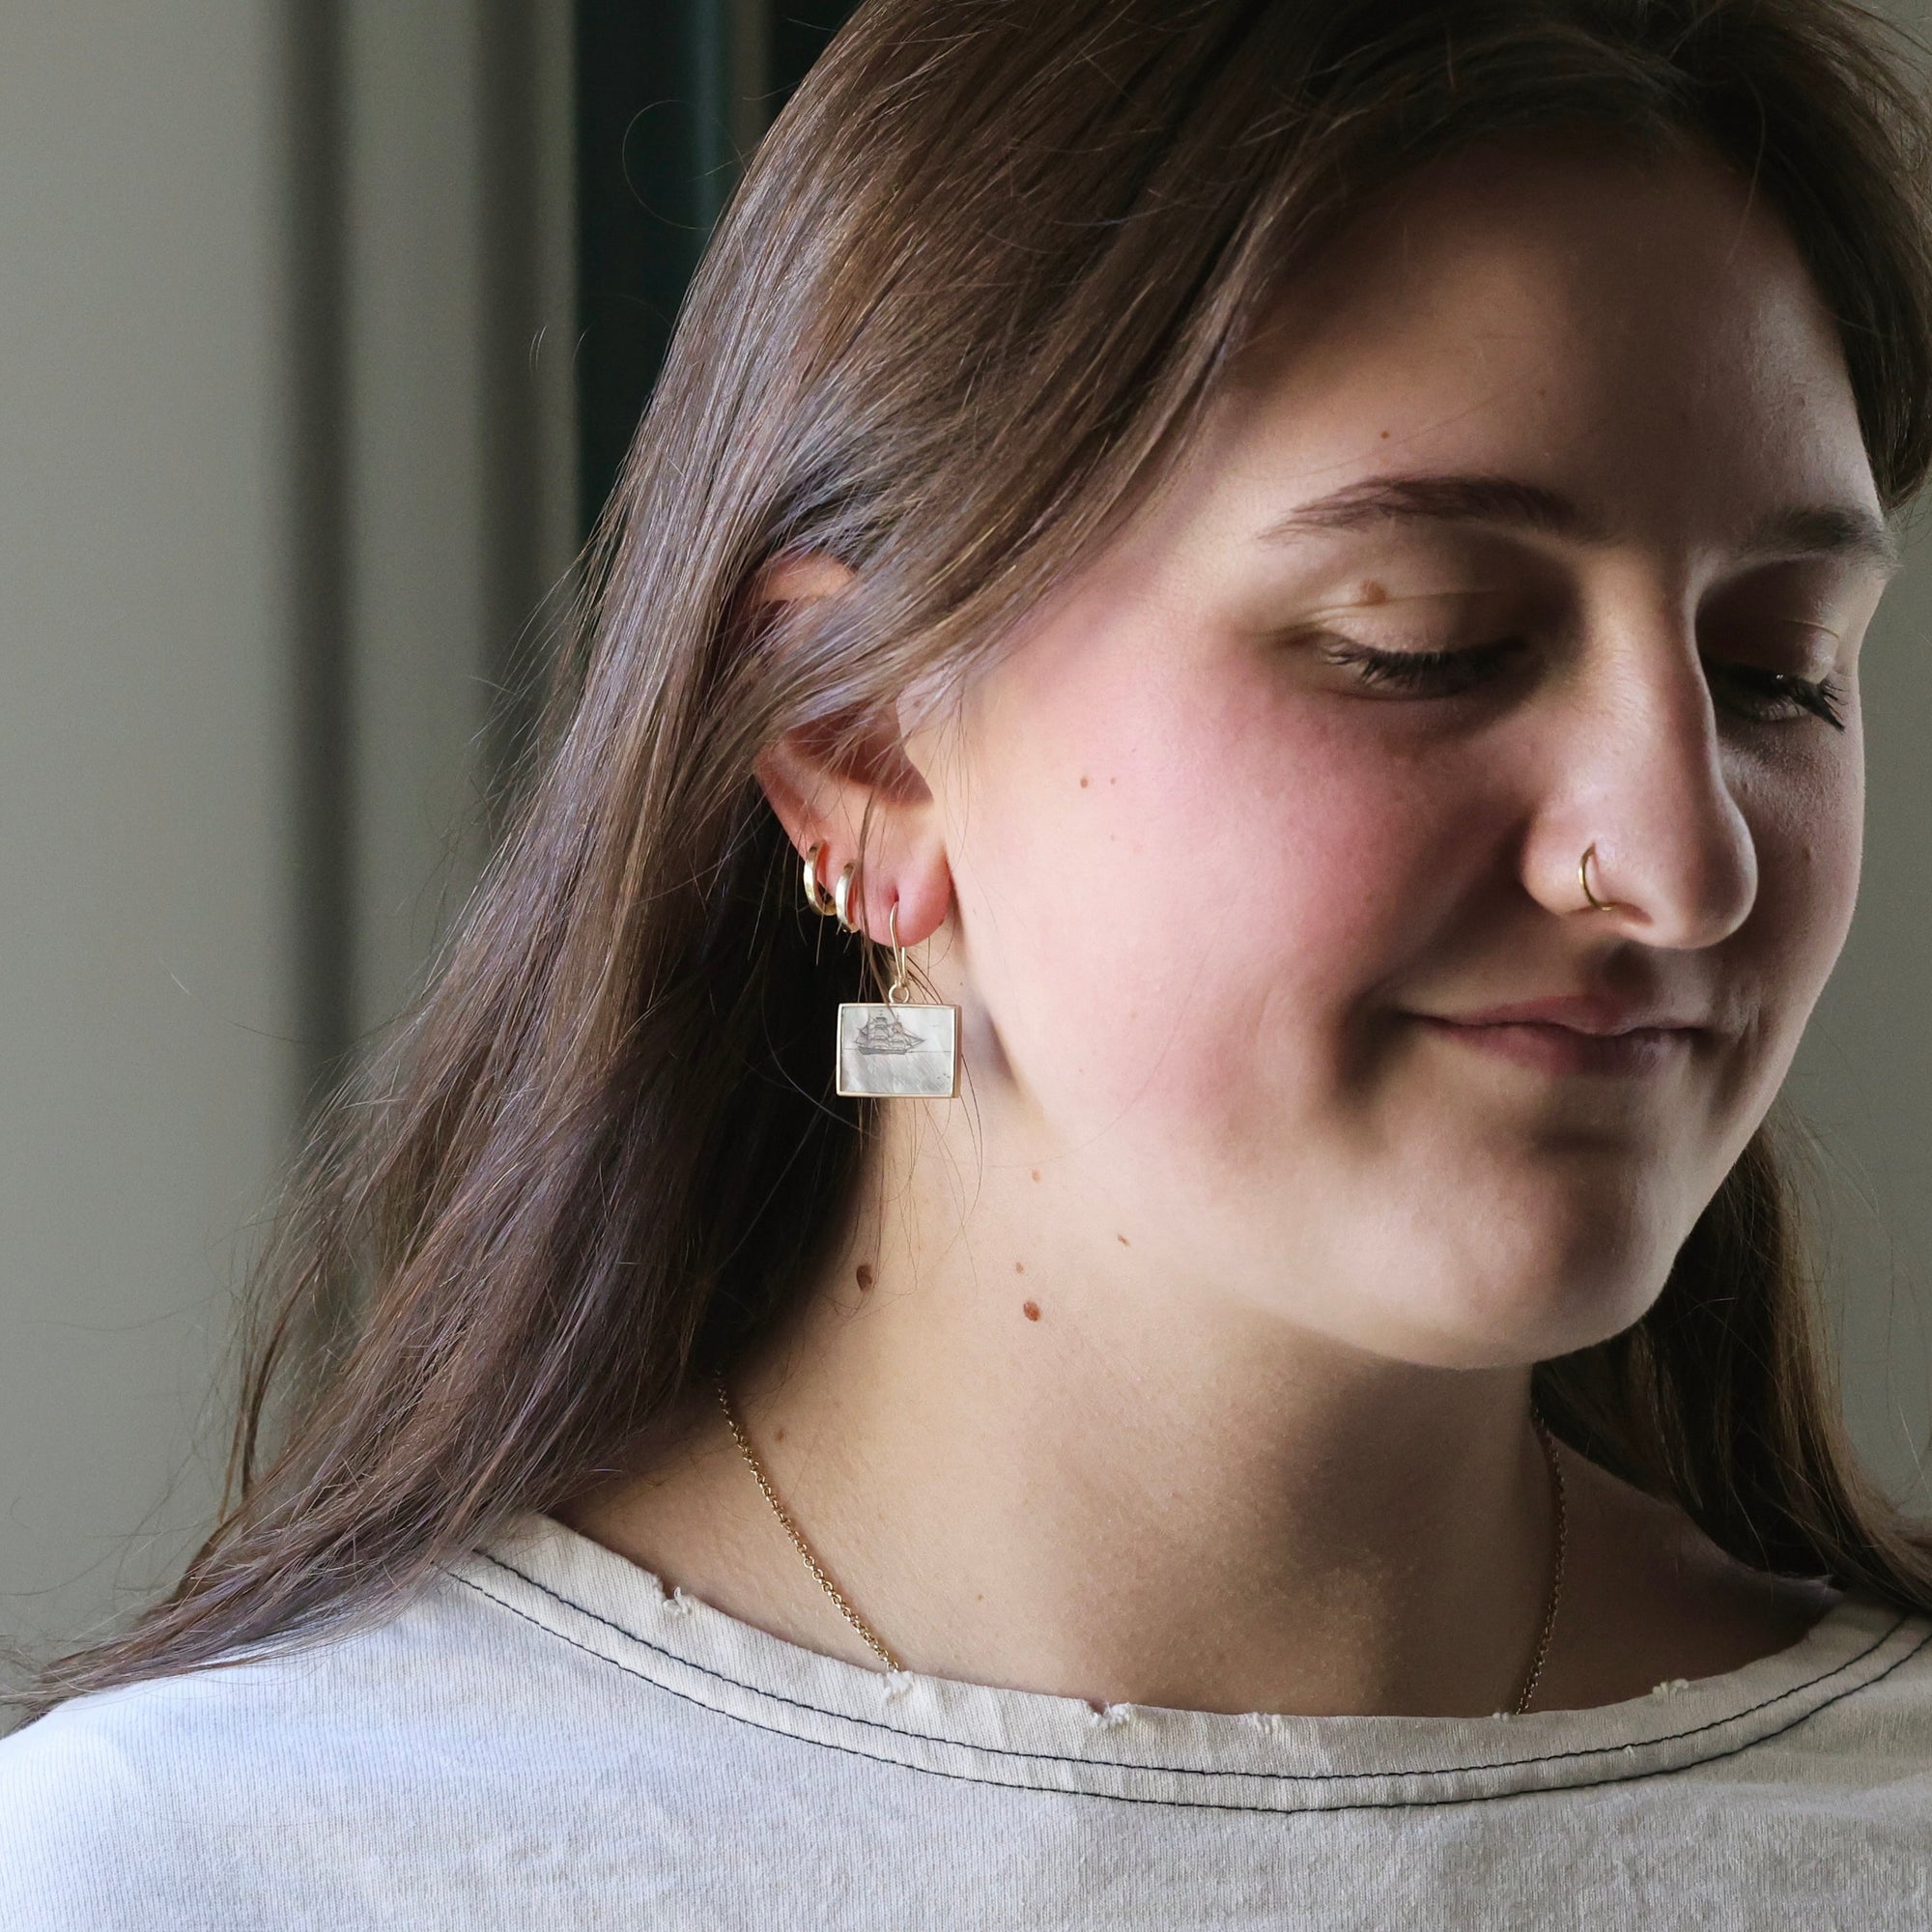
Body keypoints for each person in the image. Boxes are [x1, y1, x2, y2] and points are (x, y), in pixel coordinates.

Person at [7, 0, 1932, 1923]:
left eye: (1776, 671)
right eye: (1426, 641)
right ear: (862, 744)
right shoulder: (198, 1873)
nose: (1682, 865)